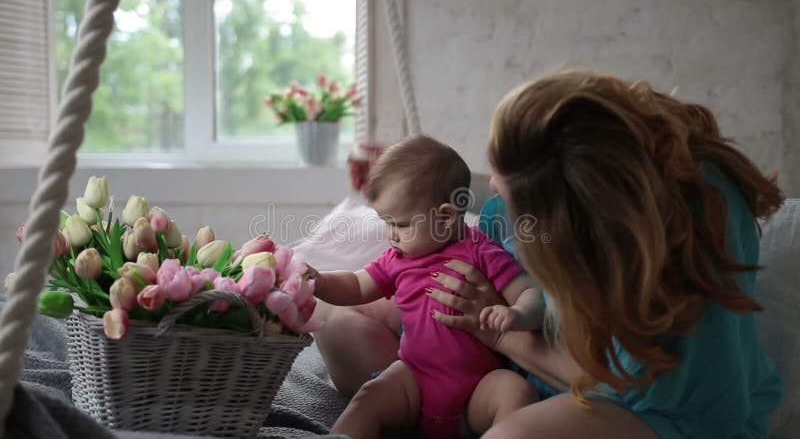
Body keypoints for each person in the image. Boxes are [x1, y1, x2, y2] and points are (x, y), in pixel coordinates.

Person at [313, 69, 787, 438]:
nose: (493, 186)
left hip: (638, 404)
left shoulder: (676, 235)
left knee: (515, 432)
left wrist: (493, 327)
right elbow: (470, 199)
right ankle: (423, 408)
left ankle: (441, 412)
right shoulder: (562, 176)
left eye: (508, 190)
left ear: (571, 219)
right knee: (341, 327)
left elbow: (613, 376)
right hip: (486, 360)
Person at [309, 134, 544, 439]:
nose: (390, 234)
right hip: (415, 380)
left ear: (445, 216)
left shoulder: (480, 251)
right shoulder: (398, 256)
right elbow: (356, 285)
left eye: (400, 224)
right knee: (369, 397)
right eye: (386, 221)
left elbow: (529, 293)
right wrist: (320, 281)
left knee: (516, 392)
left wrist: (518, 314)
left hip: (475, 389)